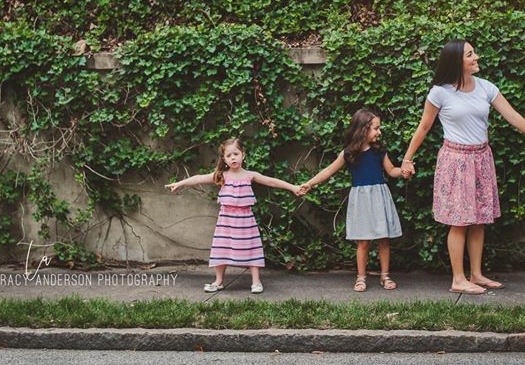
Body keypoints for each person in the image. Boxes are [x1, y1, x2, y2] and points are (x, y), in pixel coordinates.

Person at [401, 40, 525, 294]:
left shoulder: (486, 88)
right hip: (456, 161)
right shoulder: (440, 92)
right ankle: (458, 279)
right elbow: (423, 127)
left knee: (478, 219)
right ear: (456, 62)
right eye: (470, 54)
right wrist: (407, 159)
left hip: (481, 159)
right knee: (459, 221)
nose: (476, 57)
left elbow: (513, 116)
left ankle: (475, 274)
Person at [166, 138, 300, 294]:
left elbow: (272, 181)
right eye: (228, 156)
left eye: (236, 154)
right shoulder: (221, 175)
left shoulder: (250, 175)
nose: (233, 158)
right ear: (224, 159)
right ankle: (218, 281)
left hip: (245, 221)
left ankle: (256, 282)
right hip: (226, 222)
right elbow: (198, 178)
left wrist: (293, 187)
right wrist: (180, 184)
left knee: (251, 248)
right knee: (221, 249)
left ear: (243, 154)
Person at [298, 109, 405, 292]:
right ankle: (361, 277)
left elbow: (392, 170)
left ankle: (385, 276)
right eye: (376, 128)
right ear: (363, 129)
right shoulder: (348, 153)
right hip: (361, 200)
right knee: (363, 241)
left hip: (379, 197)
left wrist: (403, 171)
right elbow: (329, 171)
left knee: (383, 239)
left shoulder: (380, 151)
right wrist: (310, 183)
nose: (379, 132)